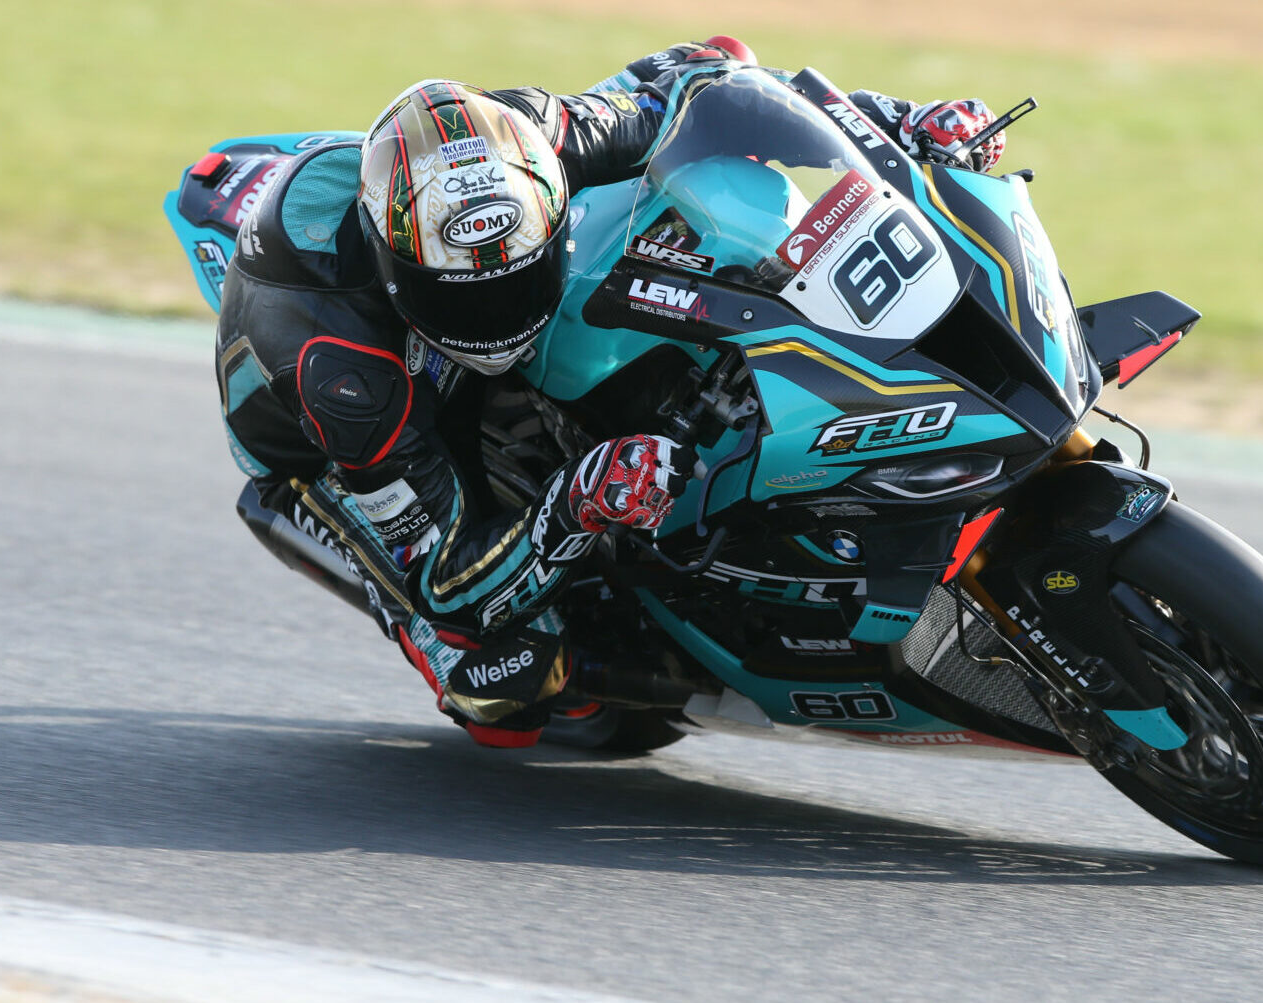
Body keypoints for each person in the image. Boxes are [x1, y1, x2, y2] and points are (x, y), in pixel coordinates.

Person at [213, 38, 1009, 747]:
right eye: (470, 298)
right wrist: (580, 502)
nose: (500, 315)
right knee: (502, 677)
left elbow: (707, 77)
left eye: (518, 276)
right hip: (330, 447)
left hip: (429, 287)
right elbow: (446, 578)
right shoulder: (343, 373)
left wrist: (899, 125)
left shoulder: (534, 137)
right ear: (398, 274)